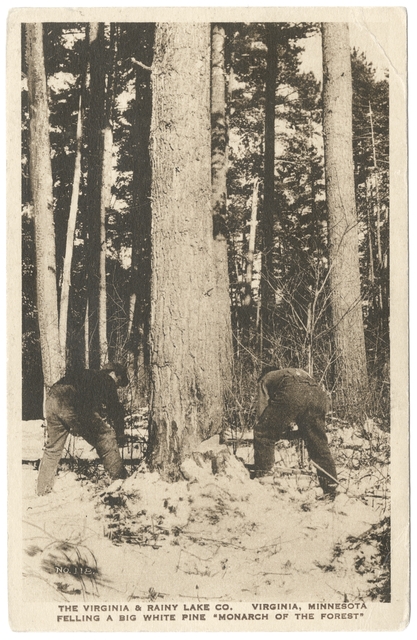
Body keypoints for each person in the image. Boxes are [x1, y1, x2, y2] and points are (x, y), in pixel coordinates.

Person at [37, 362, 129, 496]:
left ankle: (42, 490)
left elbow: (89, 403)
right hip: (69, 399)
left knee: (53, 448)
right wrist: (120, 433)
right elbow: (114, 409)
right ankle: (119, 478)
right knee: (106, 435)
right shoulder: (107, 379)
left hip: (52, 397)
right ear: (114, 373)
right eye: (118, 382)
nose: (116, 386)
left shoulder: (89, 375)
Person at [254, 367, 338, 498]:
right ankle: (330, 486)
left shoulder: (266, 377)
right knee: (318, 443)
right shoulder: (297, 372)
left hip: (293, 392)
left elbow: (263, 412)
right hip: (318, 395)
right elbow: (304, 402)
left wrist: (269, 428)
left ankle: (264, 477)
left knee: (263, 432)